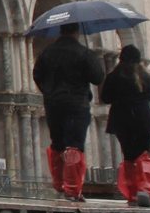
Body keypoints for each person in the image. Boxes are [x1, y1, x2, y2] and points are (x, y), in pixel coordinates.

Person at [32, 22, 107, 201]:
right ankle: (72, 190)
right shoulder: (83, 52)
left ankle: (59, 185)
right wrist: (92, 59)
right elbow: (98, 78)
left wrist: (48, 92)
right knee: (74, 145)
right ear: (76, 32)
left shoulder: (47, 52)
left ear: (61, 31)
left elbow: (37, 75)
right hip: (77, 103)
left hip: (53, 103)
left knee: (57, 143)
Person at [99, 45, 150, 206]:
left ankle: (132, 193)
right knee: (144, 155)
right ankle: (144, 190)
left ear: (121, 58)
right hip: (143, 119)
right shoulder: (147, 77)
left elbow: (105, 98)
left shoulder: (114, 76)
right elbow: (149, 96)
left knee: (129, 157)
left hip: (122, 119)